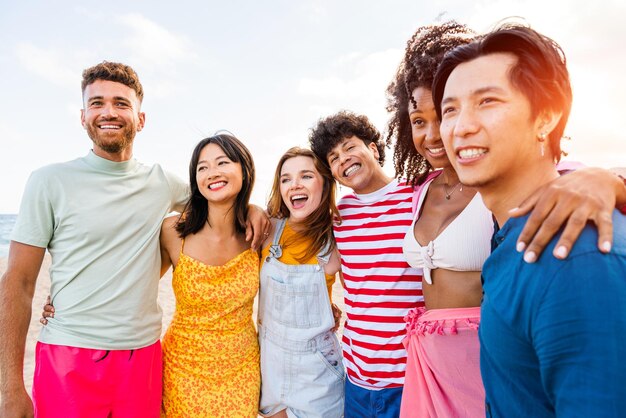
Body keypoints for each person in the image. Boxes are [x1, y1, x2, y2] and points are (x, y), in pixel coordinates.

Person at [0, 62, 267, 418]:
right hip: (69, 353)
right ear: (82, 116)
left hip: (142, 356)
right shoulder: (48, 181)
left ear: (141, 119)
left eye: (121, 103)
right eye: (96, 103)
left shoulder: (161, 182)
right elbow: (17, 282)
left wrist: (252, 208)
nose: (108, 112)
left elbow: (217, 193)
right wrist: (10, 389)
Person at [433, 23, 626, 416]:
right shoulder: (509, 234)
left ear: (547, 117)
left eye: (488, 101)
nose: (461, 127)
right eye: (450, 109)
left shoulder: (574, 253)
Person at [386, 21, 488, 418]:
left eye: (441, 115)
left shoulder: (494, 186)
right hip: (427, 359)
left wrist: (601, 180)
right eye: (417, 121)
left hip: (480, 358)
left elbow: (559, 178)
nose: (431, 135)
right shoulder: (418, 189)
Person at [158, 133, 260, 417]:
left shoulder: (260, 234)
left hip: (241, 371)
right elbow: (134, 282)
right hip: (182, 370)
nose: (212, 173)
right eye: (202, 168)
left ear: (244, 170)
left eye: (222, 162)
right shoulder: (172, 231)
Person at [257, 146, 344, 417]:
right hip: (270, 365)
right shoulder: (266, 230)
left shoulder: (338, 238)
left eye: (306, 176)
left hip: (317, 373)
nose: (294, 184)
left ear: (324, 183)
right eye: (285, 179)